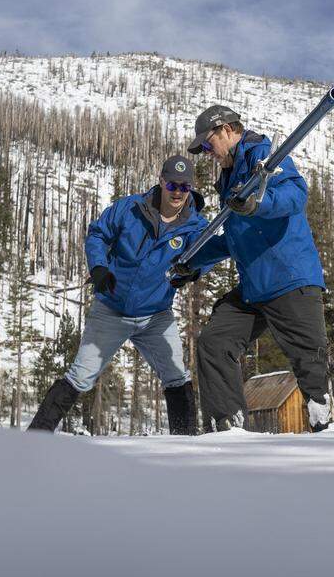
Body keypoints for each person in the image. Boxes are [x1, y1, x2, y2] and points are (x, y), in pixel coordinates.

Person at [175, 105, 334, 432]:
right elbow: (233, 239)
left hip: (288, 278)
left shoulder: (264, 156)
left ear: (225, 131)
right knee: (215, 342)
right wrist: (193, 264)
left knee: (313, 365)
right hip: (254, 287)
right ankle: (229, 428)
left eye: (207, 145)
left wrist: (257, 204)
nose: (207, 153)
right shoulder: (228, 181)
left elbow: (295, 195)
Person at [27, 155, 207, 434]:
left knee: (176, 376)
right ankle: (34, 439)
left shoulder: (195, 226)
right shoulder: (130, 208)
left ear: (191, 189)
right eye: (172, 185)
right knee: (80, 376)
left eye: (184, 187)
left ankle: (185, 442)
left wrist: (193, 271)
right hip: (112, 309)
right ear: (161, 181)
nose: (177, 193)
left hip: (156, 314)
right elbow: (98, 234)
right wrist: (98, 267)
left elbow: (203, 256)